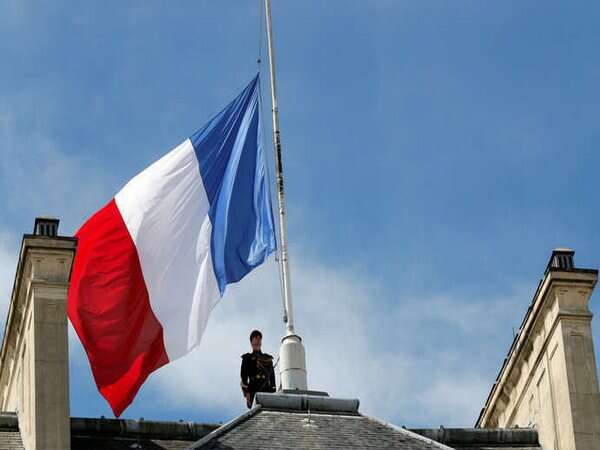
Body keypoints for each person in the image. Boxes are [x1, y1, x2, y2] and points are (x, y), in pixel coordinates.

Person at [240, 329, 276, 408]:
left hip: (267, 391)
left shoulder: (268, 358)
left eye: (259, 339)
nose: (258, 341)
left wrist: (273, 394)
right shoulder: (247, 358)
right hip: (253, 391)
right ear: (251, 342)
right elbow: (244, 378)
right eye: (255, 339)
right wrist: (247, 394)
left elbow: (272, 379)